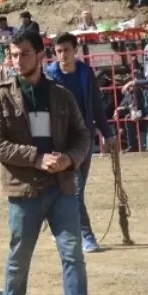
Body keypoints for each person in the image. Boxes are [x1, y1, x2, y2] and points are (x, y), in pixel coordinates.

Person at [0, 30, 109, 295]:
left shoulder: (61, 94)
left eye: (24, 53)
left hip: (62, 186)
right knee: (19, 257)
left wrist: (69, 159)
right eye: (13, 54)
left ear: (41, 55)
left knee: (72, 255)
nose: (17, 60)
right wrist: (36, 158)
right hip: (24, 189)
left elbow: (83, 135)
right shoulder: (0, 96)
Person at [45, 33, 117, 253]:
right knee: (60, 188)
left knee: (76, 189)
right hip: (57, 141)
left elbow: (96, 105)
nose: (63, 55)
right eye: (59, 51)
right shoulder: (49, 76)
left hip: (82, 139)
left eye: (66, 50)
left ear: (75, 50)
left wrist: (108, 134)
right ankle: (68, 229)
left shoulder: (86, 74)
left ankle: (86, 236)